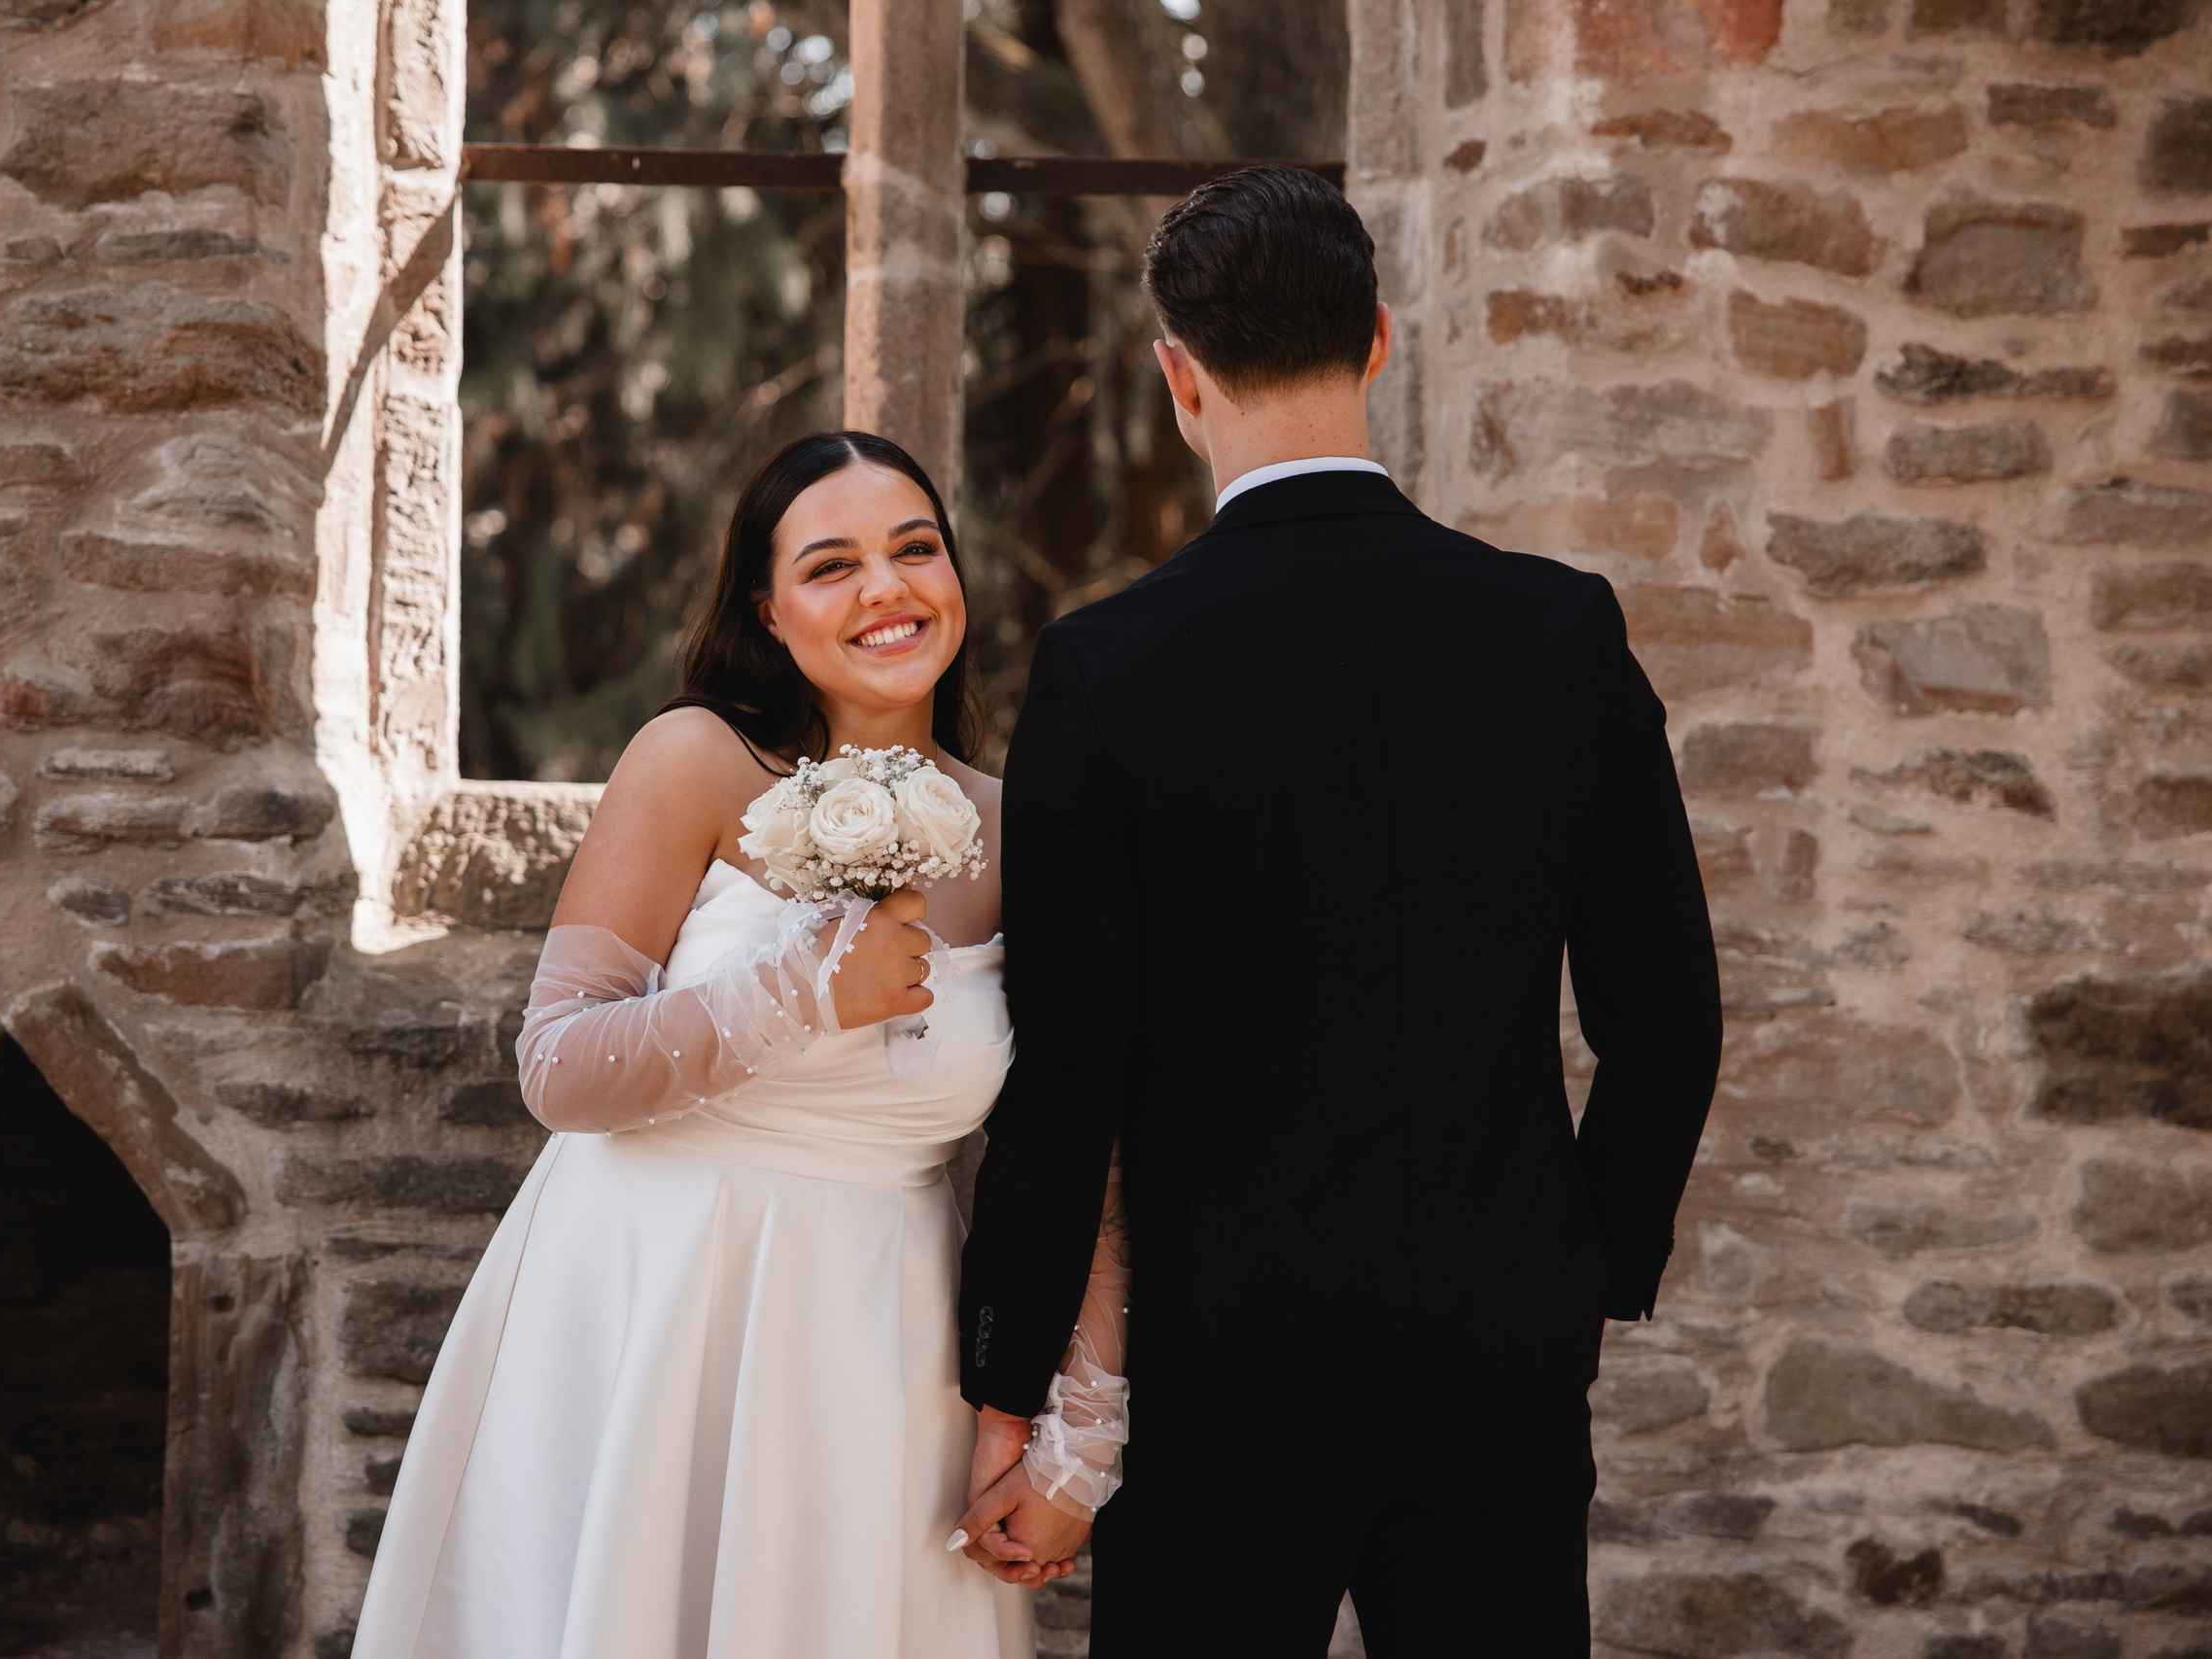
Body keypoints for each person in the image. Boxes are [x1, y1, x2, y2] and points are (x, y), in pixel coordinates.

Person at [950, 165, 1724, 1654]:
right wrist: (1586, 1263)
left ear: (1177, 376)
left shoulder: (1108, 671)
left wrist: (1012, 1376)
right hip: (1503, 1334)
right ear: (1378, 339)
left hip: (1224, 1354)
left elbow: (1067, 1067)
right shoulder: (1558, 631)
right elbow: (1668, 1018)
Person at [349, 432, 1123, 1659]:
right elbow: (557, 1063)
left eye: (914, 549)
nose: (887, 588)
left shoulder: (1021, 829)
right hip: (647, 1303)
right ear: (767, 612)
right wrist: (804, 989)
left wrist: (1079, 1435)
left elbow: (1084, 1140)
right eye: (833, 565)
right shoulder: (694, 762)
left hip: (879, 1331)